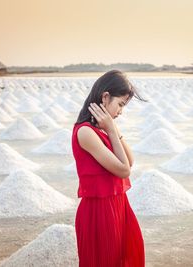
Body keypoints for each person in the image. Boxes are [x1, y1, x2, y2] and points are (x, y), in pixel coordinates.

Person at [72, 70, 146, 267]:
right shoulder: (86, 132)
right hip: (99, 213)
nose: (121, 111)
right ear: (105, 97)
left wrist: (113, 129)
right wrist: (111, 129)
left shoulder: (100, 130)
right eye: (120, 104)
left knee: (126, 257)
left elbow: (130, 161)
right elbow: (123, 171)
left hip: (118, 206)